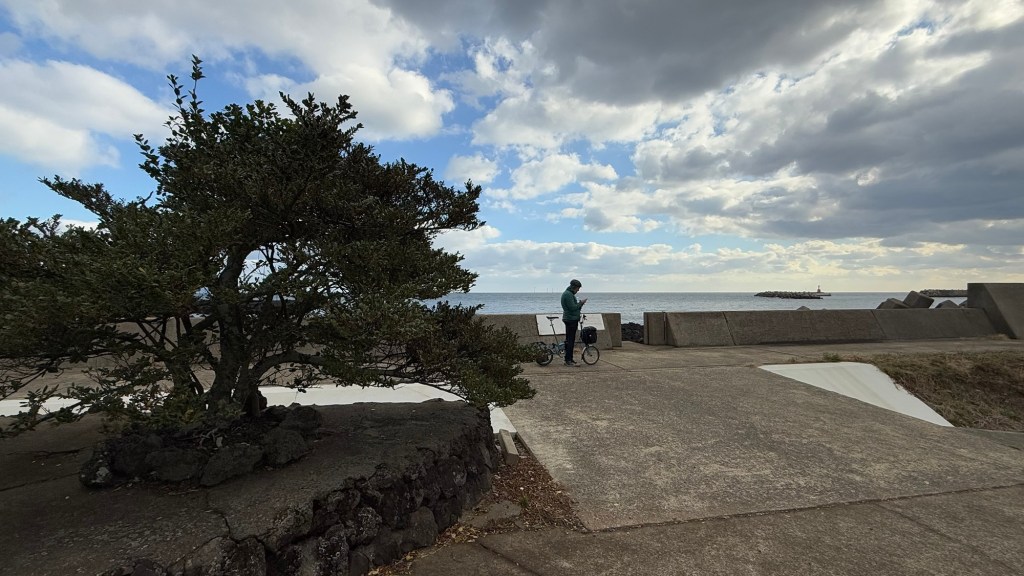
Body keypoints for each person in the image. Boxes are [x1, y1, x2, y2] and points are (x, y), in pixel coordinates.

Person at [560, 279, 588, 366]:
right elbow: (572, 308)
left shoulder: (568, 294)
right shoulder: (568, 295)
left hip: (569, 318)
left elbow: (573, 307)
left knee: (569, 339)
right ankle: (569, 360)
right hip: (571, 319)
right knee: (570, 340)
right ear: (574, 287)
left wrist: (579, 304)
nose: (578, 290)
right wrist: (581, 303)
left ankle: (568, 359)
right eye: (578, 288)